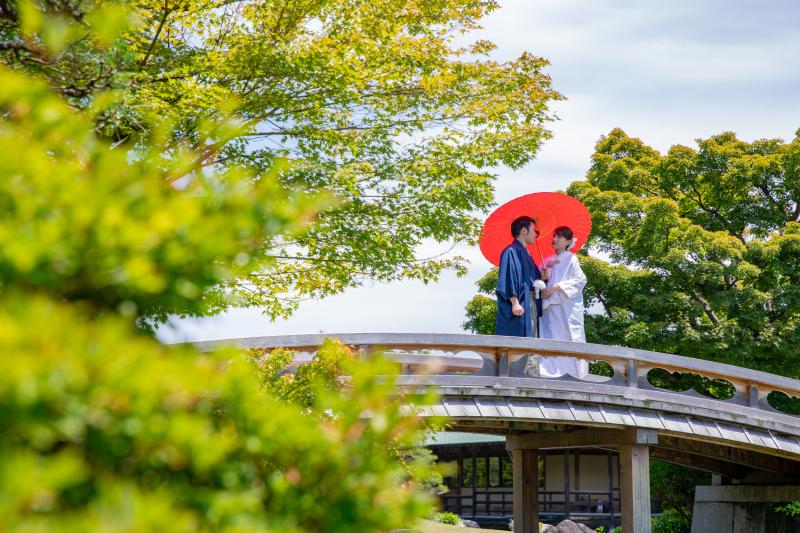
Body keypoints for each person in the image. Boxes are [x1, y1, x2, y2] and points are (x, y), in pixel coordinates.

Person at [495, 216, 544, 337]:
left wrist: (543, 276)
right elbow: (507, 278)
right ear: (524, 230)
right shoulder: (511, 251)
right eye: (533, 230)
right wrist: (515, 302)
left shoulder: (526, 253)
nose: (536, 234)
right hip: (520, 302)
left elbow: (535, 279)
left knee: (532, 343)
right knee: (519, 343)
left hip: (531, 301)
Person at [539, 226, 587, 342]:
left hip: (565, 307)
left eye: (559, 237)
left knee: (567, 338)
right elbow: (539, 282)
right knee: (549, 338)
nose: (554, 239)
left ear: (568, 242)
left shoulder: (571, 259)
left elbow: (580, 280)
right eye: (554, 236)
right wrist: (543, 277)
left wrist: (555, 287)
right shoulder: (548, 260)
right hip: (549, 308)